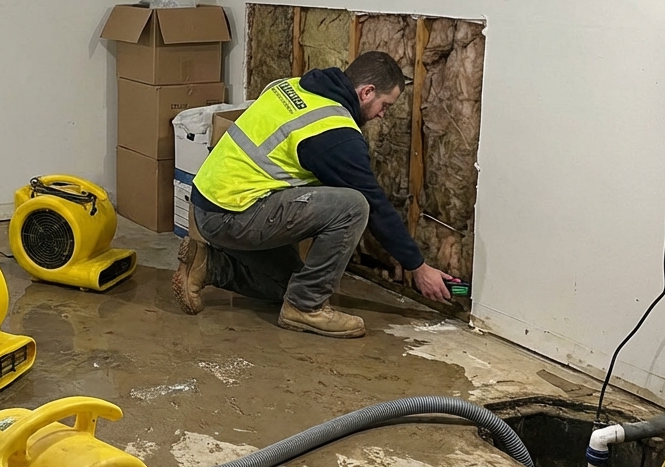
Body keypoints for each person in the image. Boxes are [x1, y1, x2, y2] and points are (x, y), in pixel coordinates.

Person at [173, 51, 456, 338]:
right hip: (231, 215)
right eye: (385, 105)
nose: (383, 114)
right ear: (367, 92)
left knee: (287, 286)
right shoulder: (334, 132)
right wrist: (418, 267)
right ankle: (306, 308)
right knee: (355, 206)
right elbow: (376, 206)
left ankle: (209, 266)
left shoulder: (295, 86)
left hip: (209, 203)